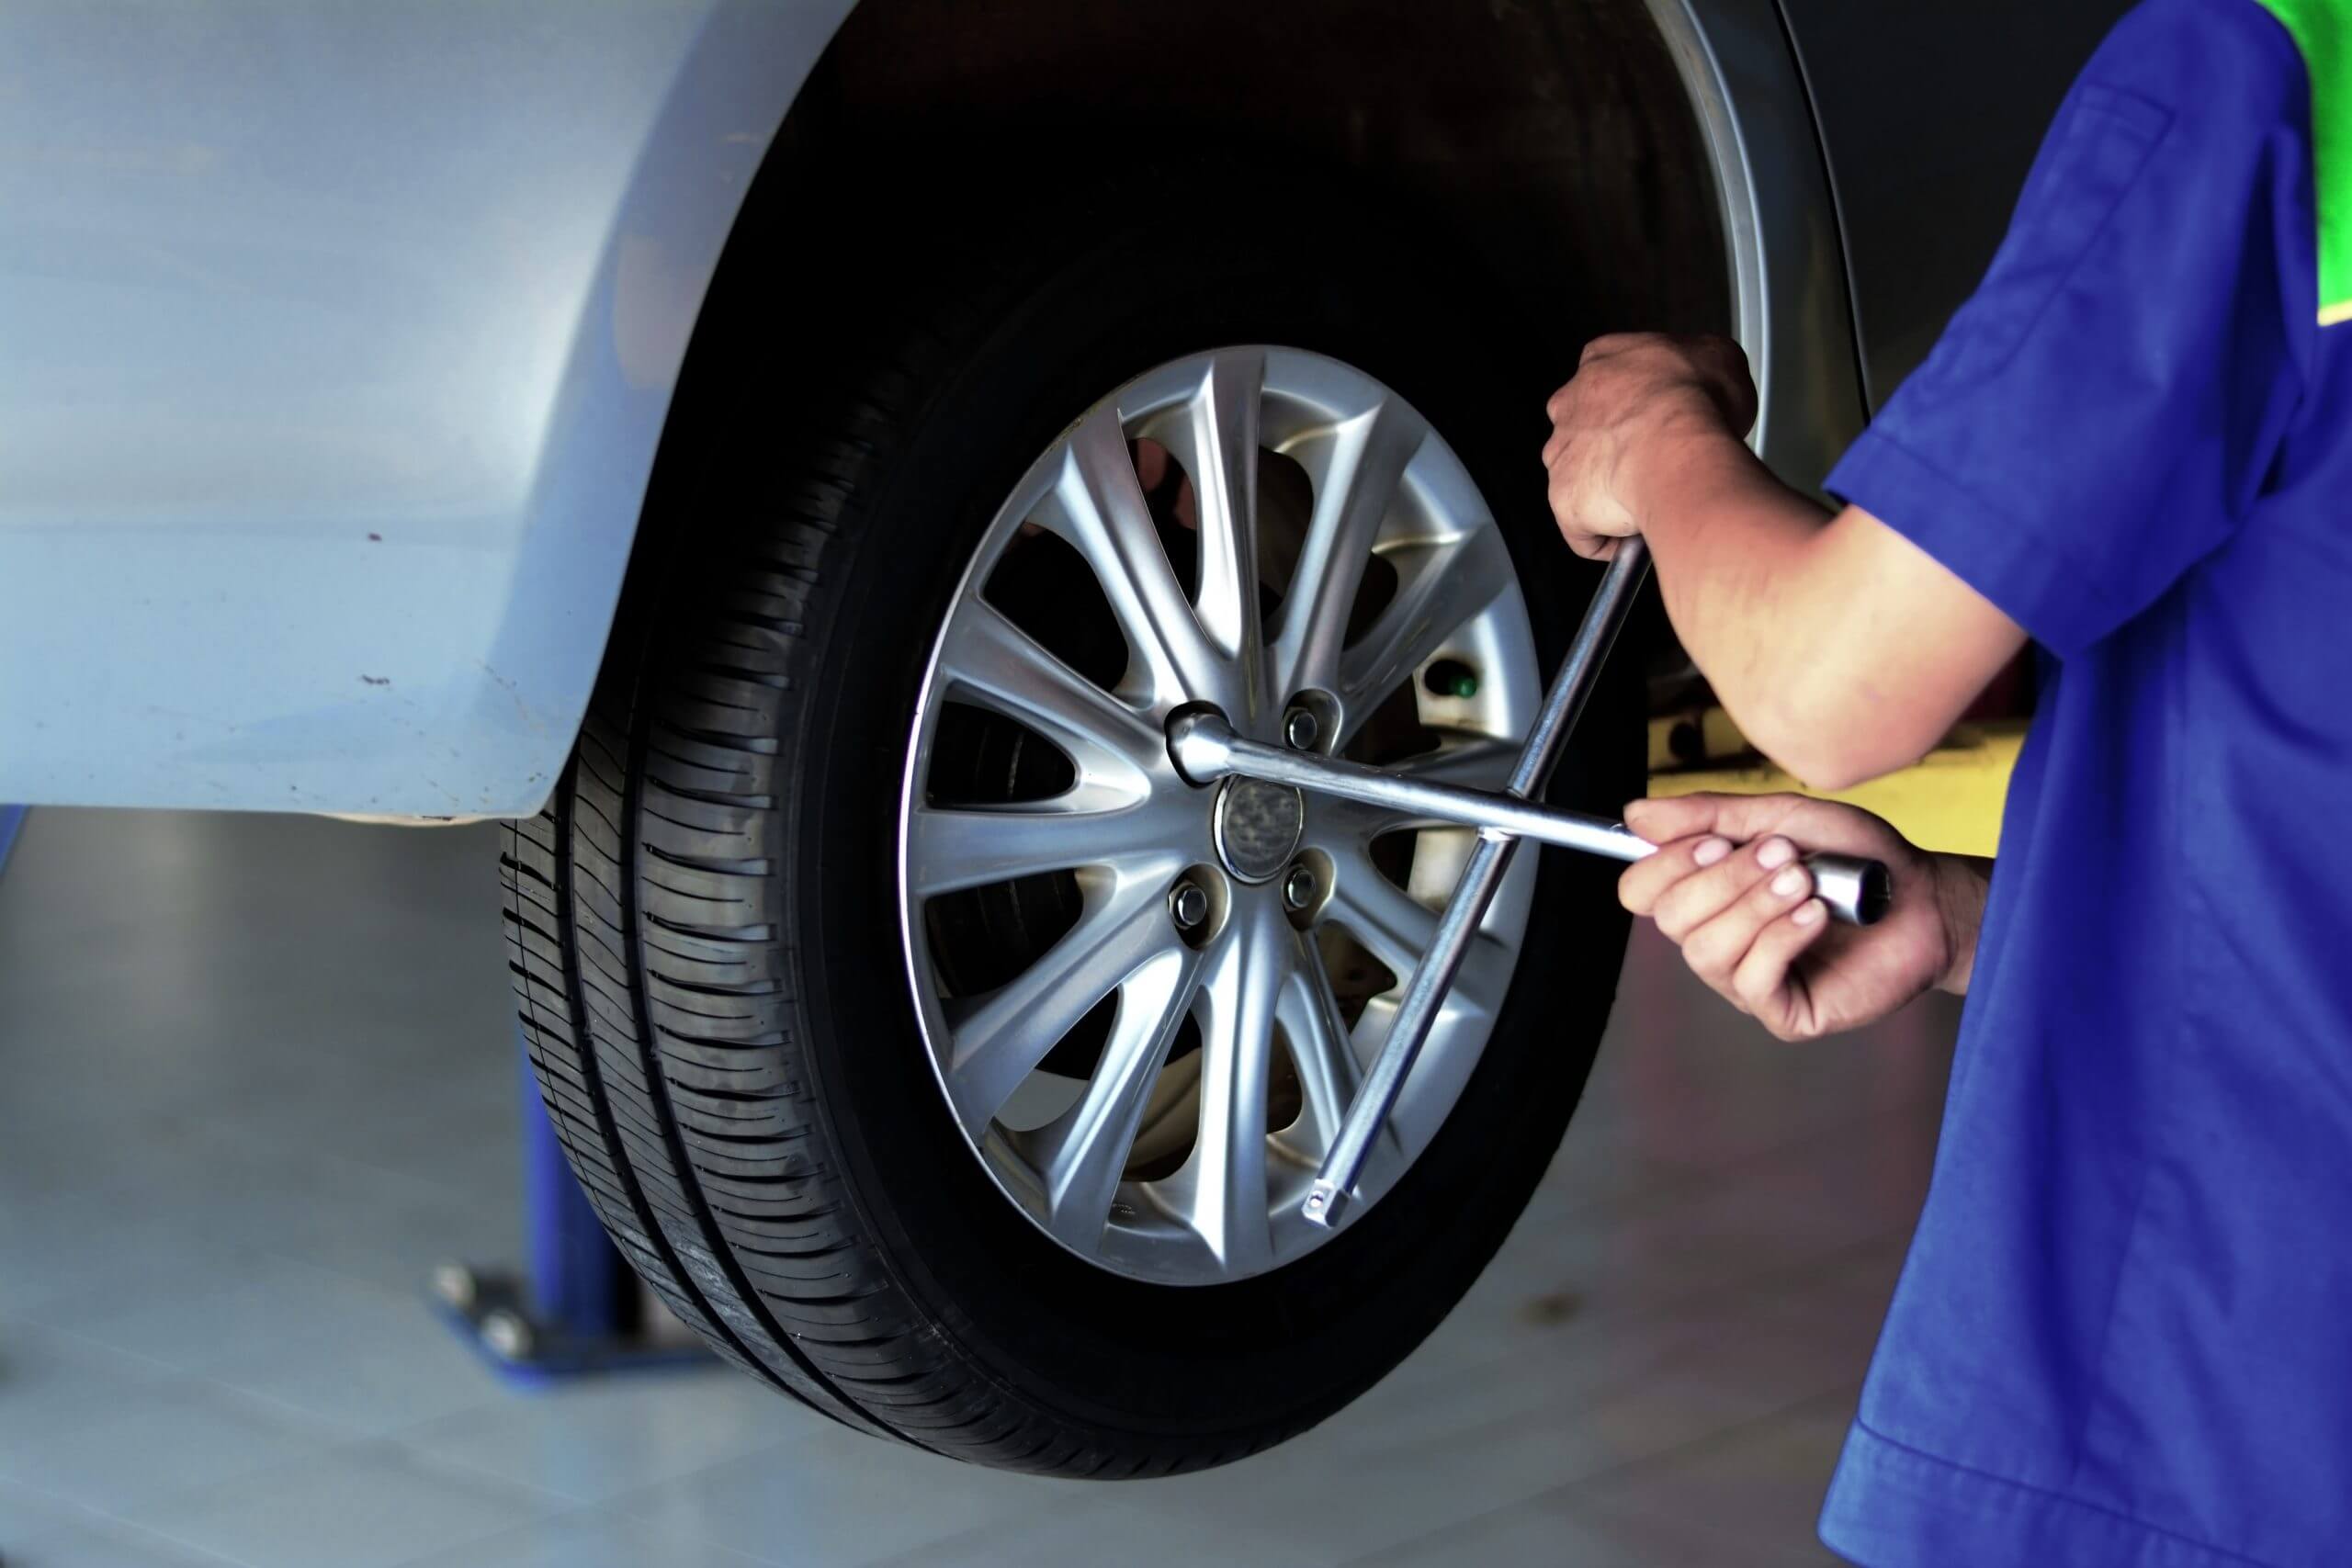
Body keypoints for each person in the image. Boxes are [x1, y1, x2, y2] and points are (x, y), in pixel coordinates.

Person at [1538, 0, 2350, 1562]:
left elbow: (1826, 686)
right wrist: (1990, 926)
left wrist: (1656, 440)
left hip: (2216, 1403)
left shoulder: (2266, 72)